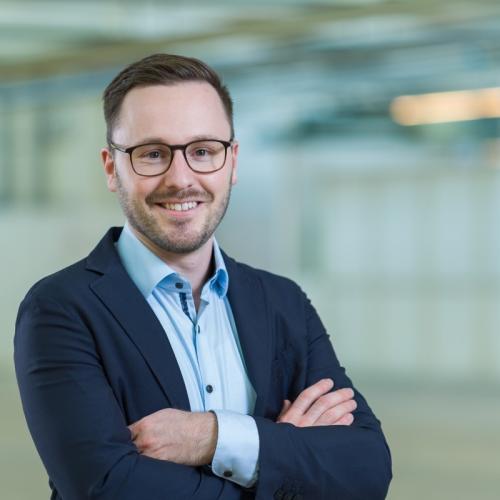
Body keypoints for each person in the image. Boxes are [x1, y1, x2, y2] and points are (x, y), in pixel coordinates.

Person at [14, 54, 392, 500]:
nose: (181, 179)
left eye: (203, 152)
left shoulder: (282, 302)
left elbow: (366, 468)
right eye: (152, 154)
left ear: (232, 162)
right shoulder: (60, 309)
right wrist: (280, 456)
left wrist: (212, 437)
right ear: (112, 168)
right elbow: (106, 488)